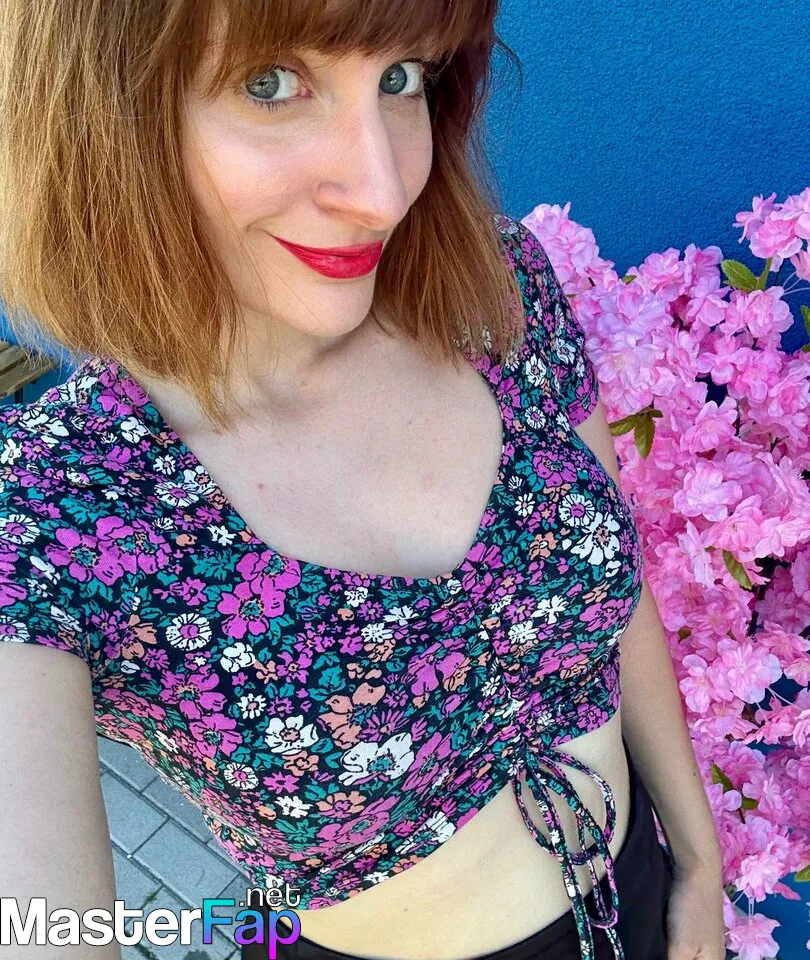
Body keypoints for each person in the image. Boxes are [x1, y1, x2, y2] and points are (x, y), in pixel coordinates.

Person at [0, 2, 726, 960]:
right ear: (97, 120)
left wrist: (699, 861)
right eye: (270, 84)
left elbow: (618, 594)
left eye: (402, 78)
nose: (384, 192)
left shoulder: (489, 290)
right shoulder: (51, 512)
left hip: (637, 890)